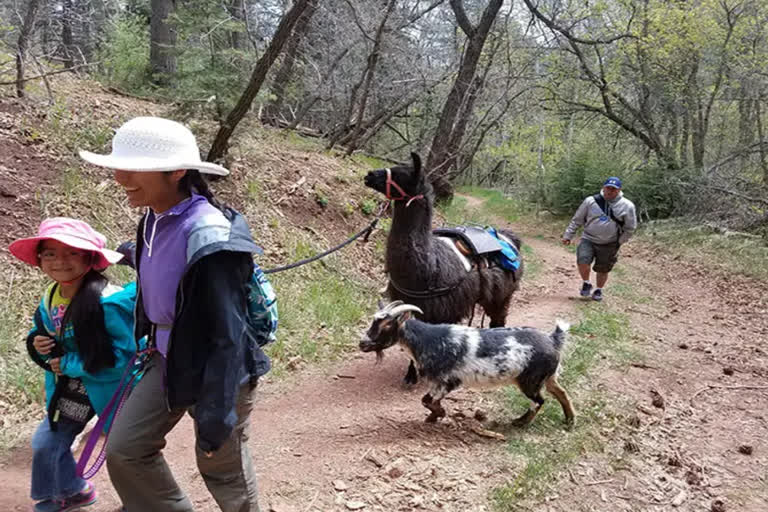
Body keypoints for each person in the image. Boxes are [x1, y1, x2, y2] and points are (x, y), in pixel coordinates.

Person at [79, 116, 270, 512]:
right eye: (118, 166)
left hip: (218, 368)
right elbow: (171, 272)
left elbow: (227, 332)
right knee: (126, 450)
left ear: (177, 171)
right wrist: (134, 256)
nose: (120, 178)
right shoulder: (152, 217)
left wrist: (218, 411)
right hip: (167, 357)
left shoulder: (208, 234)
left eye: (133, 168)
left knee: (222, 468)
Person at [9, 218, 136, 512]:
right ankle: (68, 492)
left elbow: (123, 357)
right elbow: (42, 331)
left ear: (91, 258)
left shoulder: (109, 303)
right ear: (39, 258)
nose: (59, 261)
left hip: (111, 388)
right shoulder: (51, 296)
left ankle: (142, 500)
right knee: (47, 442)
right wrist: (37, 344)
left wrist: (69, 364)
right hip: (71, 387)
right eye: (50, 253)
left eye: (72, 253)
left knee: (126, 451)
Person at [561, 177, 637, 301]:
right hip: (588, 238)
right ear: (603, 187)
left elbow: (630, 227)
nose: (610, 191)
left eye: (613, 189)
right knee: (582, 261)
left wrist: (620, 241)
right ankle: (586, 283)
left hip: (610, 243)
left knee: (603, 269)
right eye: (608, 188)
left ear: (619, 190)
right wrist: (568, 235)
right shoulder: (590, 201)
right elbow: (577, 219)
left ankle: (598, 290)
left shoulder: (627, 206)